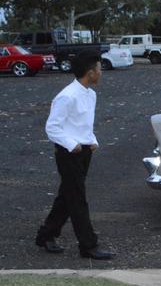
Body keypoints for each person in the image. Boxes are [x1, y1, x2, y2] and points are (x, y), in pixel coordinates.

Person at [36, 50, 115, 260]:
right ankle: (88, 245)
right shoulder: (66, 96)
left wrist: (92, 141)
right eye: (99, 69)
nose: (101, 73)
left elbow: (82, 124)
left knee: (68, 196)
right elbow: (52, 128)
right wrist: (73, 145)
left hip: (84, 151)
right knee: (78, 199)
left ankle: (46, 235)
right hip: (68, 152)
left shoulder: (91, 94)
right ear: (90, 73)